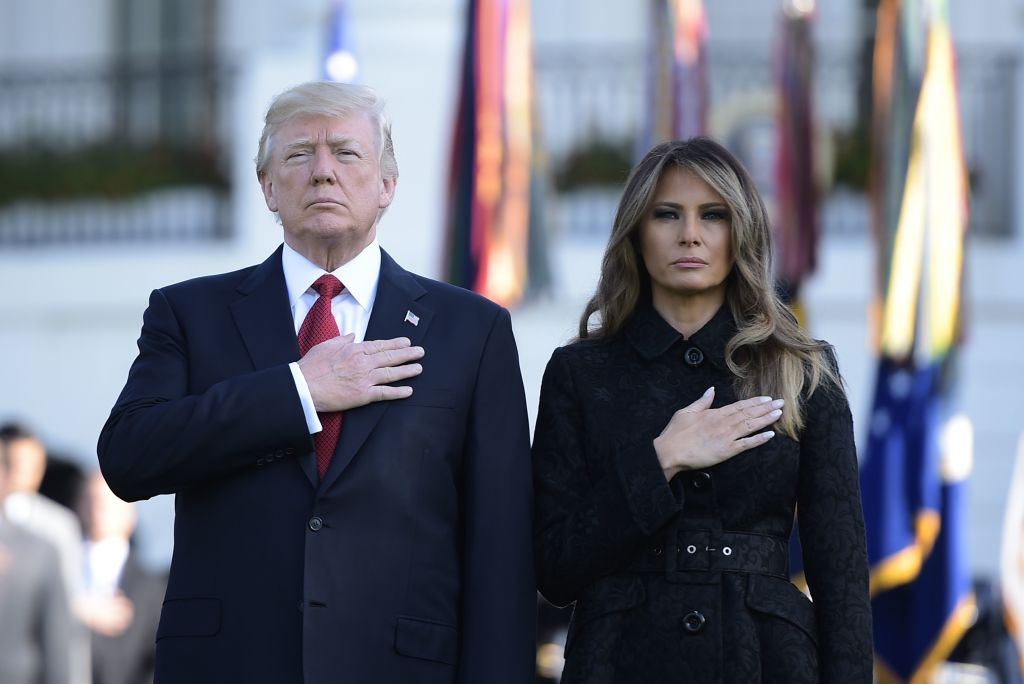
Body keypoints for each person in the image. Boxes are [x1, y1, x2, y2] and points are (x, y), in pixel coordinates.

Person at [98, 81, 535, 683]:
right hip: (232, 664)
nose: (323, 172)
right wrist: (296, 391)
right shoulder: (189, 313)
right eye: (300, 154)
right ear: (268, 188)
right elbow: (128, 456)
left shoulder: (471, 329)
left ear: (387, 185)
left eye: (347, 153)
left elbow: (500, 544)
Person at [532, 137, 872, 682]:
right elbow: (555, 568)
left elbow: (843, 578)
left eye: (712, 216)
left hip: (768, 661)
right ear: (636, 233)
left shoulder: (805, 371)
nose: (689, 233)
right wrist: (661, 461)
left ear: (741, 232)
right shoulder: (579, 374)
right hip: (620, 660)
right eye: (667, 214)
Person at [0, 422, 91, 683]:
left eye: (33, 464)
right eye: (14, 462)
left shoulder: (57, 525)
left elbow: (65, 605)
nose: (25, 472)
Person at [77, 470, 166, 684]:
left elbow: (155, 658)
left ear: (131, 513)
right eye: (90, 500)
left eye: (106, 503)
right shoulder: (58, 567)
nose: (97, 510)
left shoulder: (154, 587)